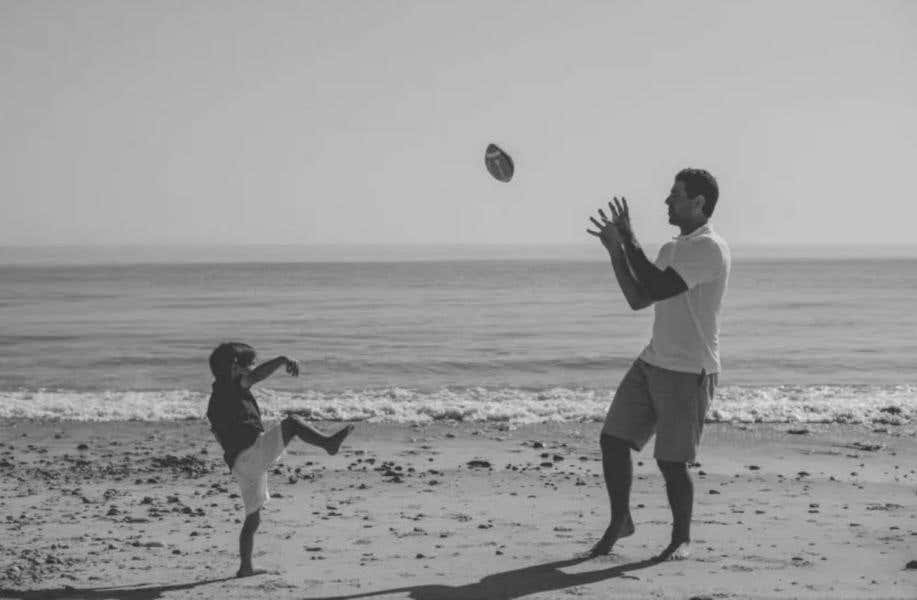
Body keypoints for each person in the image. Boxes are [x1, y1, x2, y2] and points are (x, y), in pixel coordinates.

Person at [585, 168, 730, 561]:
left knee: (670, 461)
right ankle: (621, 521)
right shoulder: (671, 249)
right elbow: (639, 297)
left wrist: (630, 237)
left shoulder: (710, 249)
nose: (667, 201)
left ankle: (681, 537)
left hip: (689, 371)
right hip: (652, 361)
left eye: (676, 194)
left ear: (698, 202)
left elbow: (661, 285)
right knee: (613, 440)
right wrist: (616, 251)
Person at [206, 341, 354, 577]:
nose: (251, 369)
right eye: (249, 364)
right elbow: (256, 376)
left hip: (240, 464)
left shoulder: (216, 397)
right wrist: (283, 359)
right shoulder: (233, 385)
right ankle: (328, 443)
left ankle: (245, 567)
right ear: (235, 367)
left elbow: (222, 432)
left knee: (252, 518)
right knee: (293, 423)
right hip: (251, 454)